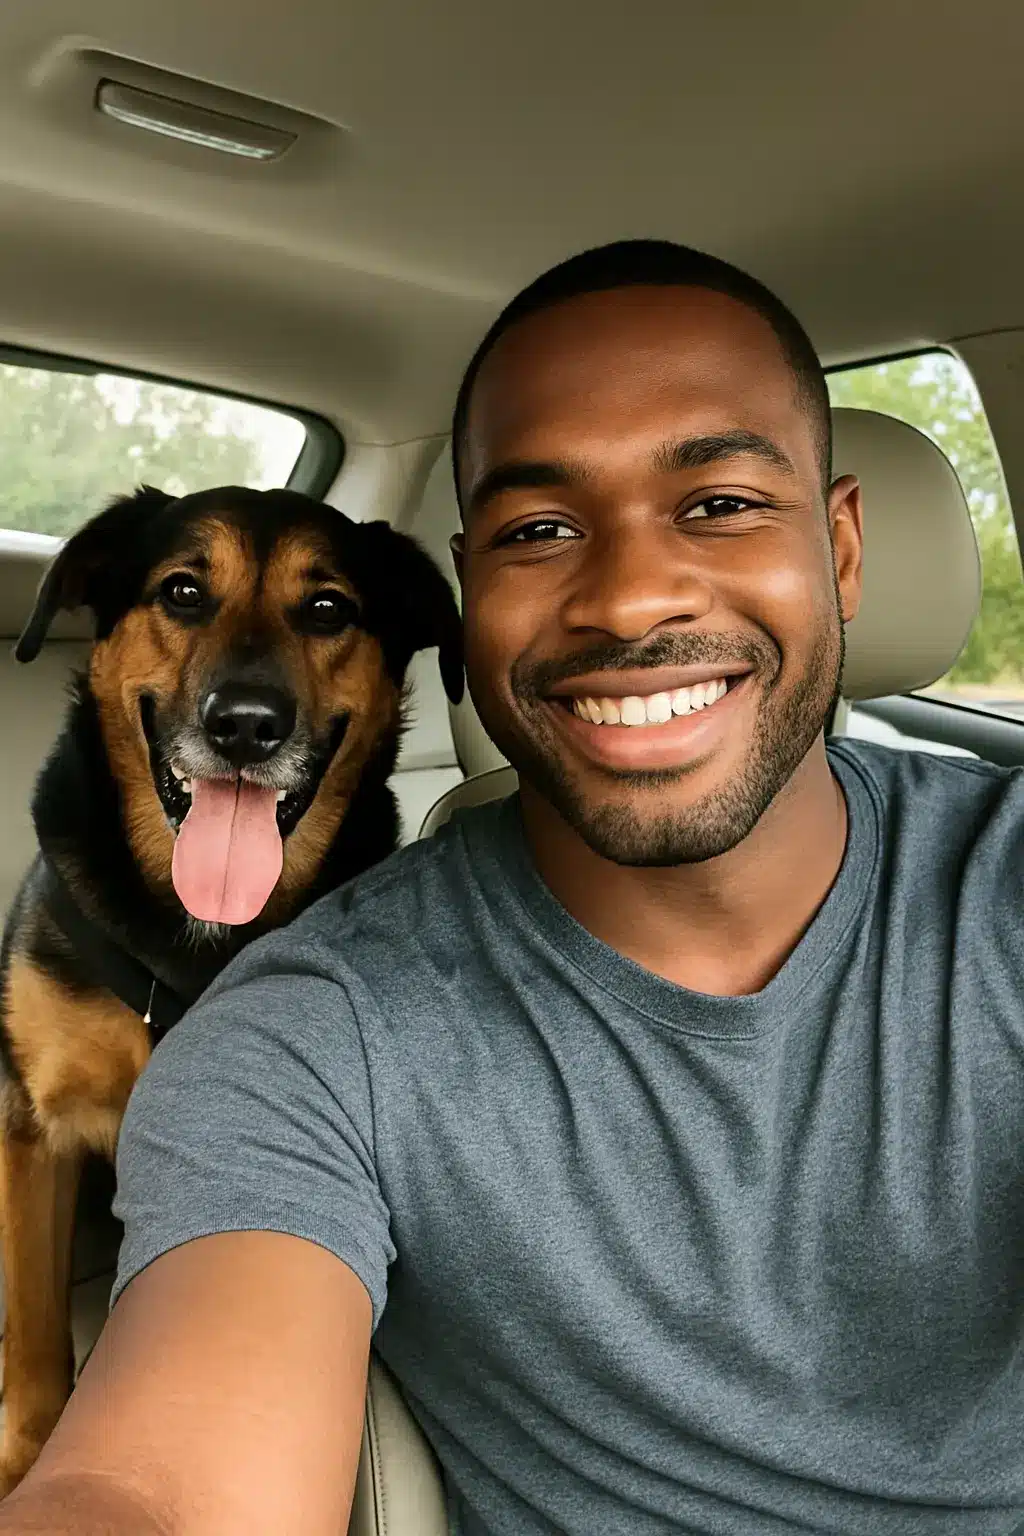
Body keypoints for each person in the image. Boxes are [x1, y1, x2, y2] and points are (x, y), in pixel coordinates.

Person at [2, 240, 1021, 1534]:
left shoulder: (1004, 884)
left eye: (718, 503)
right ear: (472, 596)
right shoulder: (308, 1031)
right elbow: (154, 1486)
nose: (632, 596)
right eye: (540, 528)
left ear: (842, 549)